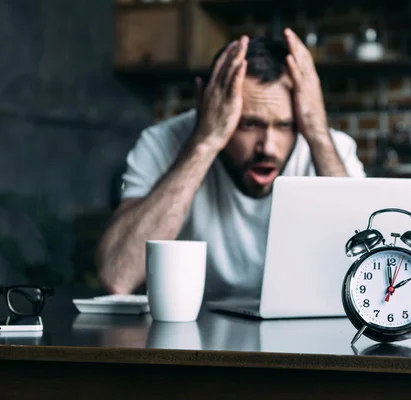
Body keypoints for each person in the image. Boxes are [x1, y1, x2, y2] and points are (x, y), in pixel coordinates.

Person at [95, 28, 366, 302]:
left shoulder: (330, 147)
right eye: (247, 124)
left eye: (285, 125)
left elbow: (369, 262)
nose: (268, 147)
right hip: (197, 328)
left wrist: (317, 132)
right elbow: (118, 275)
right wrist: (205, 140)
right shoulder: (163, 141)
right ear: (207, 106)